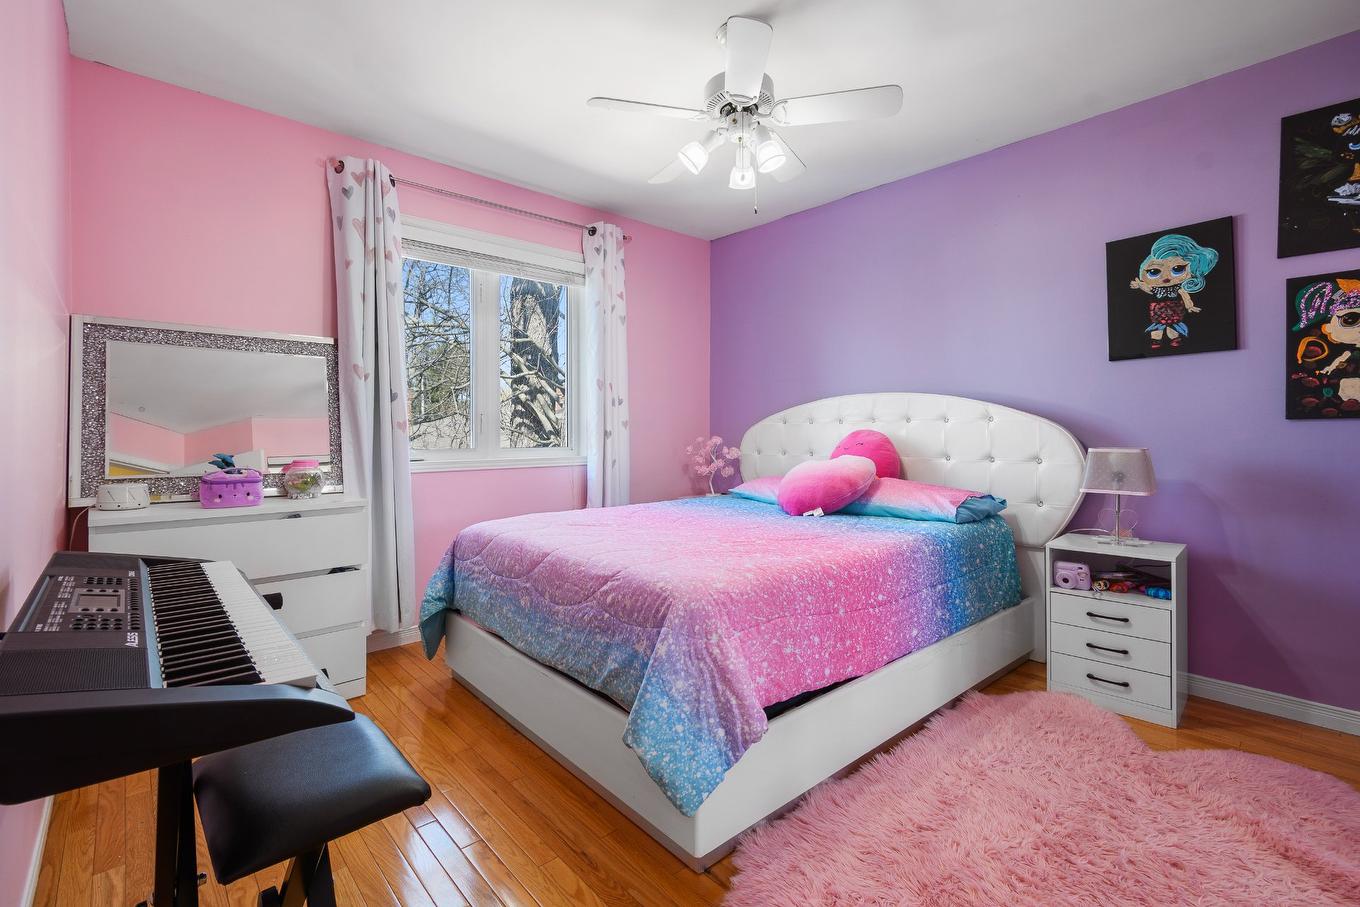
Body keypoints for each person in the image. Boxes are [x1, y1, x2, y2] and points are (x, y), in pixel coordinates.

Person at [1129, 233, 1219, 350]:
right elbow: (1149, 289)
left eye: (1177, 269)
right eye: (1154, 271)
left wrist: (1189, 306)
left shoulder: (1177, 288)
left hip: (1174, 311)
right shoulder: (1156, 288)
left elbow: (1185, 295)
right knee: (1157, 328)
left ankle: (1175, 340)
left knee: (1173, 328)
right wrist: (1140, 285)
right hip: (1157, 312)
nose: (1166, 277)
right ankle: (1156, 340)